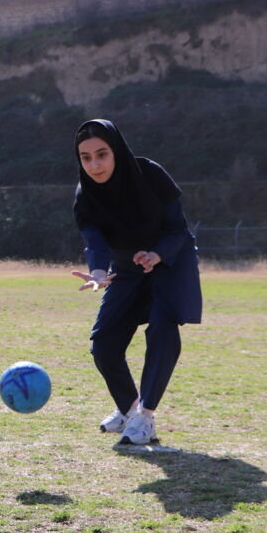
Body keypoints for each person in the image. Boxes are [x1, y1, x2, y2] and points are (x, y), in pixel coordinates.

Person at [70, 119, 202, 445]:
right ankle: (129, 409)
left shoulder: (150, 174)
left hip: (170, 261)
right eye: (86, 158)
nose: (94, 164)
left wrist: (157, 254)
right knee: (103, 344)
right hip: (126, 267)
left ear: (116, 151)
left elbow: (178, 229)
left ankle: (145, 417)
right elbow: (95, 240)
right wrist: (99, 272)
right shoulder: (85, 194)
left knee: (161, 328)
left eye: (101, 154)